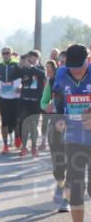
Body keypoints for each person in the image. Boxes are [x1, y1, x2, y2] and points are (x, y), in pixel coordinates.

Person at [51, 45, 91, 222]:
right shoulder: (62, 73)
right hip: (74, 139)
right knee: (75, 189)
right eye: (72, 67)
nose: (76, 71)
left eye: (80, 66)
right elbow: (58, 97)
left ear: (88, 60)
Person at [43, 59, 69, 212]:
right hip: (56, 125)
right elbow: (43, 101)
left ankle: (65, 197)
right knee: (58, 166)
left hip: (76, 128)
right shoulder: (53, 81)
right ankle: (60, 185)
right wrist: (46, 106)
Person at [16, 50, 47, 158]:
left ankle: (34, 147)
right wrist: (19, 65)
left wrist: (32, 67)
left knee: (33, 125)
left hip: (36, 101)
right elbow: (14, 75)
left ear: (37, 58)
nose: (30, 59)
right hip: (25, 100)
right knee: (24, 124)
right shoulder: (25, 69)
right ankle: (24, 147)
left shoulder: (41, 68)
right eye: (29, 57)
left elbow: (43, 75)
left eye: (33, 57)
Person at [0, 46, 23, 153]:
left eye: (7, 53)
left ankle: (17, 136)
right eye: (3, 53)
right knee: (4, 122)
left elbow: (24, 78)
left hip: (15, 97)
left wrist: (21, 87)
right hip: (4, 98)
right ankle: (5, 145)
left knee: (16, 121)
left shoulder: (16, 65)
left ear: (11, 54)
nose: (5, 55)